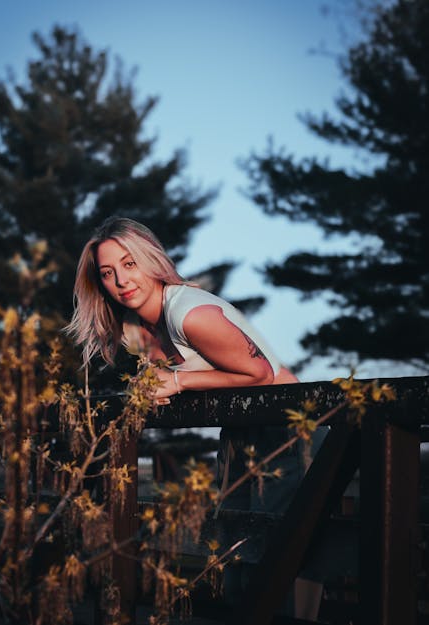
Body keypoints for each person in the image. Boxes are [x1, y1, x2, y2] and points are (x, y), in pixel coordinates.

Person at [67, 216, 322, 619]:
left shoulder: (190, 313)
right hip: (243, 433)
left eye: (129, 264)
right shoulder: (145, 327)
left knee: (282, 560)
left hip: (288, 431)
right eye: (108, 272)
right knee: (240, 555)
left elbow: (260, 374)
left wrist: (179, 383)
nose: (121, 280)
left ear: (151, 259)